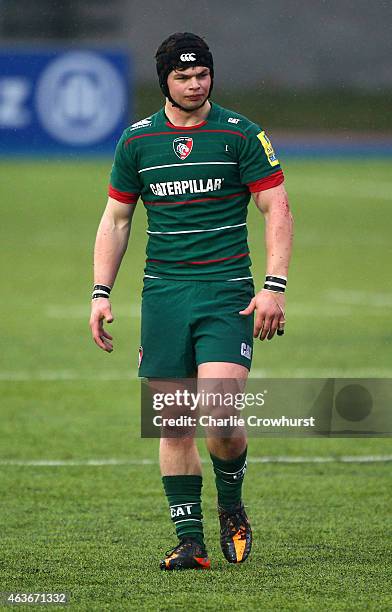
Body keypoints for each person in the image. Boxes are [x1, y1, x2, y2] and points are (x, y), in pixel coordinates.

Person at [90, 32, 293, 571]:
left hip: (227, 292)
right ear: (165, 82)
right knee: (174, 421)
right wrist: (100, 293)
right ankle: (190, 542)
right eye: (183, 77)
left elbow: (276, 208)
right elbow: (116, 219)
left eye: (202, 74)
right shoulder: (137, 142)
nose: (195, 84)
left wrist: (274, 286)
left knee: (220, 413)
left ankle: (231, 508)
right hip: (163, 295)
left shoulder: (240, 134)